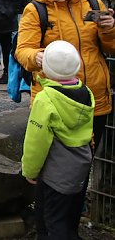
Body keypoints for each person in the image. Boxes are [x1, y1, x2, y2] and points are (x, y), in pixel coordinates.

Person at [16, 0, 115, 157]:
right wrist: (37, 57)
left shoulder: (94, 4)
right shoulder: (36, 10)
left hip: (93, 100)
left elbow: (110, 48)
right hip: (56, 100)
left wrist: (109, 29)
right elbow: (23, 50)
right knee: (56, 165)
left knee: (85, 161)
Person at [21, 40, 94, 240]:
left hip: (55, 172)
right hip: (78, 166)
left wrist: (30, 170)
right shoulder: (85, 92)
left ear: (45, 68)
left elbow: (36, 141)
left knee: (52, 222)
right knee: (68, 218)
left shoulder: (46, 99)